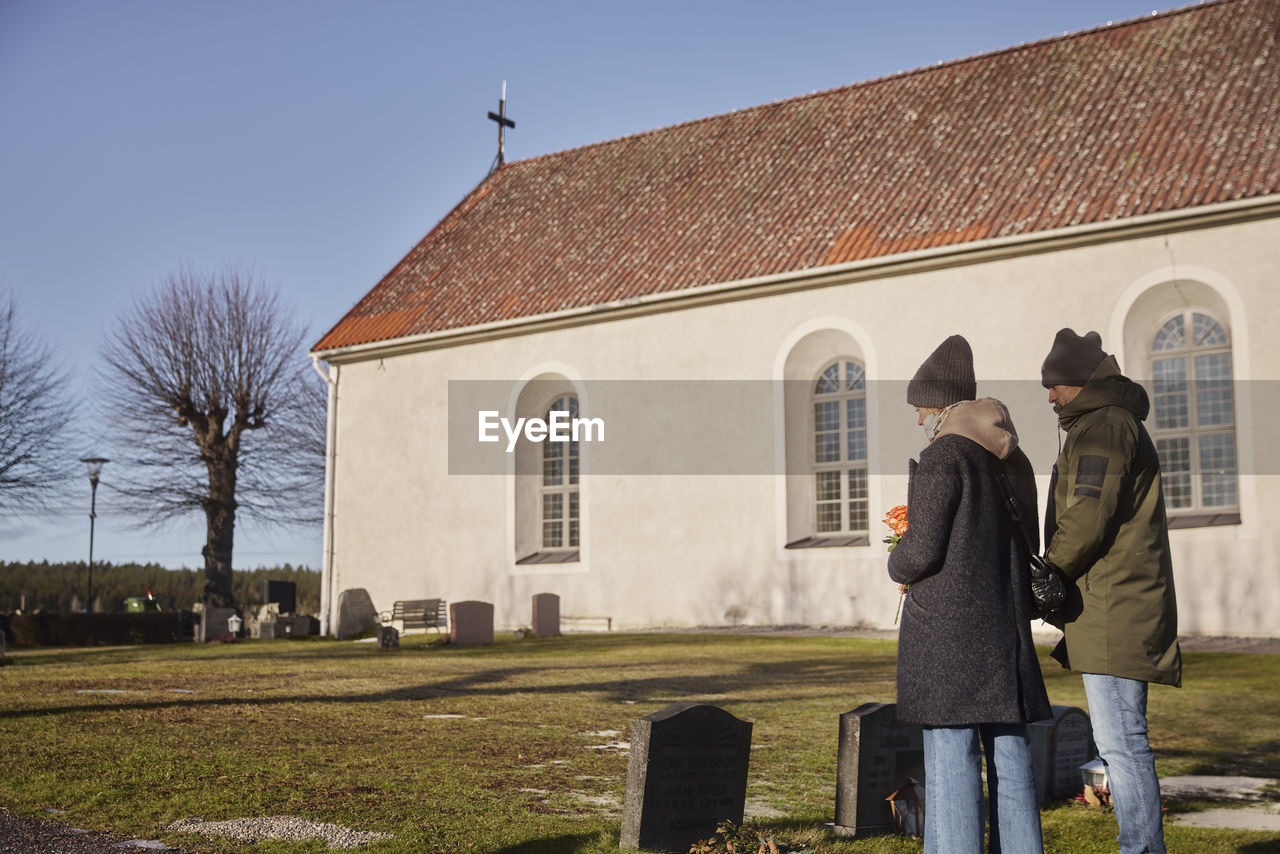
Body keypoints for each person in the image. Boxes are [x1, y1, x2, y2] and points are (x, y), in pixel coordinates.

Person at [889, 334, 1051, 854]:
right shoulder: (1012, 458)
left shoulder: (945, 456)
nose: (919, 420)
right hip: (1003, 626)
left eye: (920, 409)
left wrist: (895, 560)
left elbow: (923, 550)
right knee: (1010, 754)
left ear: (941, 404)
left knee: (951, 757)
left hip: (949, 633)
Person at [1039, 328, 1181, 854]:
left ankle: (1141, 849)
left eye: (1052, 385)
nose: (1049, 396)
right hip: (1109, 601)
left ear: (1076, 382)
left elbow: (1089, 512)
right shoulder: (1102, 424)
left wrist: (1049, 569)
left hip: (1115, 605)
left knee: (1123, 744)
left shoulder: (1105, 426)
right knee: (1119, 742)